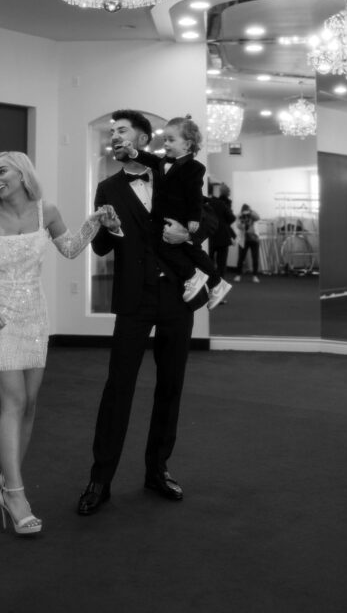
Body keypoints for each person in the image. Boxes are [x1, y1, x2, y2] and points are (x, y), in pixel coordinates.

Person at [0, 151, 115, 537]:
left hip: (35, 315)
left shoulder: (48, 211)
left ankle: (8, 484)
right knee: (13, 402)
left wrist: (94, 222)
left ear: (23, 173)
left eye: (2, 170)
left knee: (30, 405)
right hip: (0, 317)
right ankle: (15, 494)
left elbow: (72, 248)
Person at [77, 110, 208, 516]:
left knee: (171, 386)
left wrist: (189, 232)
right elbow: (100, 249)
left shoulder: (174, 174)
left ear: (143, 139)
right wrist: (109, 228)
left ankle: (157, 470)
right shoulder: (107, 187)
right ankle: (100, 480)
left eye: (121, 131)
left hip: (176, 298)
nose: (113, 137)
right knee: (118, 388)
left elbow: (207, 223)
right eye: (111, 131)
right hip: (133, 299)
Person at [123, 115, 232, 310]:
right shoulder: (164, 161)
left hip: (178, 217)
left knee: (166, 248)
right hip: (165, 215)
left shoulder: (195, 168)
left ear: (187, 144)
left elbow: (195, 195)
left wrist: (193, 219)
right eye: (165, 139)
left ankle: (193, 275)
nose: (166, 144)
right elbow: (150, 159)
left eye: (171, 140)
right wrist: (134, 153)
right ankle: (217, 282)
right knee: (194, 252)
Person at [207, 183, 237, 282]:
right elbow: (232, 218)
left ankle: (209, 284)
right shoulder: (221, 203)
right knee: (221, 264)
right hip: (223, 237)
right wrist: (223, 223)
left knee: (208, 263)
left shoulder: (204, 202)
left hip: (208, 237)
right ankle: (220, 287)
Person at [235, 203, 261, 283]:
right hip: (244, 239)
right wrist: (242, 217)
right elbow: (238, 226)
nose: (246, 213)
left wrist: (250, 212)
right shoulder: (240, 216)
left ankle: (255, 276)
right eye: (245, 211)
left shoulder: (253, 215)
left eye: (247, 210)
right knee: (241, 258)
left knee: (255, 258)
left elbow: (258, 217)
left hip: (254, 239)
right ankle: (238, 275)